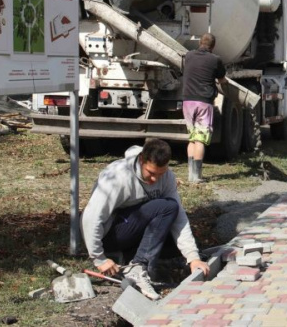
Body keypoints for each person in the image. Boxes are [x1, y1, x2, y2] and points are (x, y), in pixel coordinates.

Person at [81, 139, 210, 300]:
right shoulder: (118, 176)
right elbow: (91, 217)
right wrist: (99, 258)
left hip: (133, 227)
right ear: (141, 160)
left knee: (180, 243)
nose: (155, 179)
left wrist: (193, 257)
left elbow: (178, 218)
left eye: (160, 174)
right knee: (166, 207)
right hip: (111, 234)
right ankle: (138, 266)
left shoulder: (167, 177)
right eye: (151, 173)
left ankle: (133, 260)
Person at [182, 33, 227, 183]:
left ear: (199, 43)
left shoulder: (188, 56)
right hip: (203, 102)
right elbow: (221, 79)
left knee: (192, 138)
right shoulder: (215, 60)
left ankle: (190, 175)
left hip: (187, 102)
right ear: (213, 46)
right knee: (200, 139)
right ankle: (197, 176)